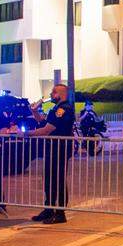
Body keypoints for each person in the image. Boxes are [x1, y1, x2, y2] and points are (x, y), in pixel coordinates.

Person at [29, 84, 75, 224]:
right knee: (49, 179)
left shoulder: (64, 109)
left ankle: (60, 213)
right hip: (51, 148)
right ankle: (49, 209)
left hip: (60, 148)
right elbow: (43, 122)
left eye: (53, 92)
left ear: (60, 94)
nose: (50, 95)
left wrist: (26, 134)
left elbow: (46, 130)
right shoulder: (55, 109)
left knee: (58, 179)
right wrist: (34, 111)